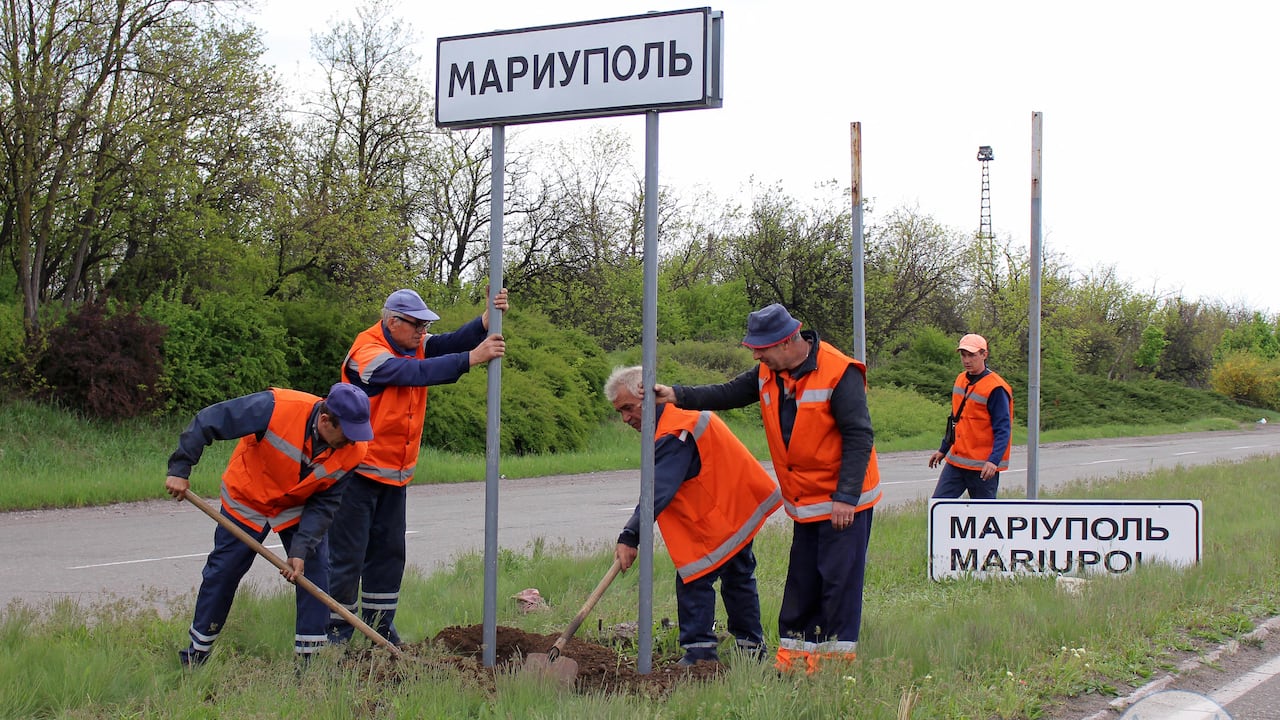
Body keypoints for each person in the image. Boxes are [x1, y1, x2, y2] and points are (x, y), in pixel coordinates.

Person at [651, 303, 881, 674]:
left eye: (762, 349)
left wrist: (846, 497)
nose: (757, 356)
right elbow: (728, 393)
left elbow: (859, 436)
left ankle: (833, 669)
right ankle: (793, 663)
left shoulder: (839, 373)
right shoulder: (769, 372)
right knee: (802, 585)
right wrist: (675, 394)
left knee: (838, 586)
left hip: (843, 502)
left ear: (789, 341)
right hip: (805, 501)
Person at [326, 287, 507, 645]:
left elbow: (446, 344)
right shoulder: (369, 353)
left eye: (425, 328)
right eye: (417, 327)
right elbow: (413, 373)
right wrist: (472, 358)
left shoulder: (411, 343)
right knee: (347, 558)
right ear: (393, 322)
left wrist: (486, 320)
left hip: (394, 475)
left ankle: (379, 630)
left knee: (389, 556)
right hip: (356, 473)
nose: (423, 334)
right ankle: (335, 635)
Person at [164, 382, 374, 668]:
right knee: (223, 572)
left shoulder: (354, 451)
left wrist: (300, 550)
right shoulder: (276, 408)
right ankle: (196, 656)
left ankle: (309, 667)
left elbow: (325, 504)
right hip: (249, 497)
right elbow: (209, 420)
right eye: (346, 435)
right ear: (325, 420)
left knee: (314, 572)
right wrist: (180, 468)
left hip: (295, 504)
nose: (351, 442)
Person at [605, 366, 782, 666]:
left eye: (627, 408)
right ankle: (750, 647)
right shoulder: (678, 417)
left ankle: (701, 655)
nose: (625, 418)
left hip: (723, 512)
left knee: (695, 578)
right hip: (731, 509)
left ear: (648, 398)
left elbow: (657, 491)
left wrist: (630, 535)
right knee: (737, 576)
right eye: (620, 412)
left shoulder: (677, 429)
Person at [928, 333, 1013, 499]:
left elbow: (1003, 429)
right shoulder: (961, 379)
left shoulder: (996, 387)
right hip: (956, 462)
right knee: (938, 508)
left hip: (983, 467)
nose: (966, 360)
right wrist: (943, 449)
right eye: (963, 355)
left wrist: (993, 461)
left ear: (984, 355)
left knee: (984, 518)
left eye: (972, 355)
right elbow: (955, 419)